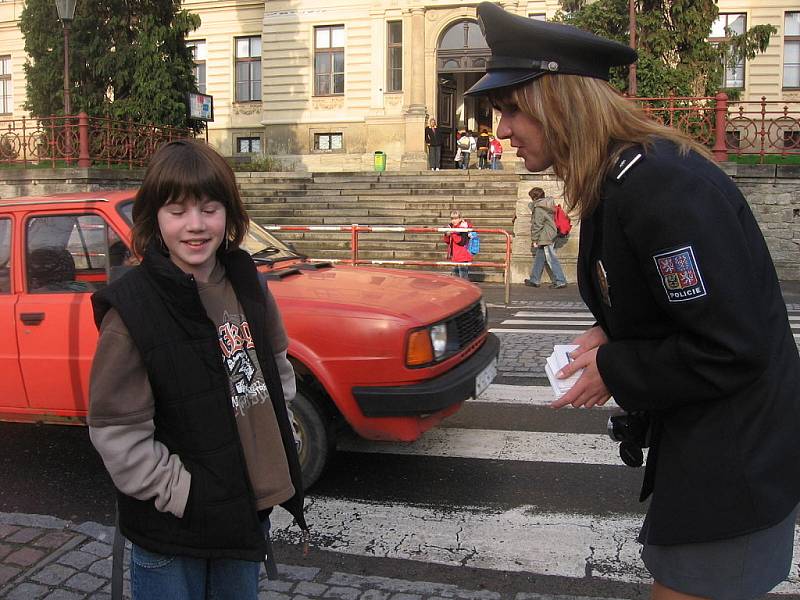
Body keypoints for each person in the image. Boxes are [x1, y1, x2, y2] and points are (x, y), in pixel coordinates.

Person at [465, 3, 800, 600]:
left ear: (559, 102)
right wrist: (612, 332)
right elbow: (671, 307)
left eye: (512, 109)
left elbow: (732, 348)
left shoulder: (663, 187)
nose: (502, 131)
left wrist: (615, 367)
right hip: (704, 454)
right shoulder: (619, 177)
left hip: (734, 467)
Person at [88, 139, 308, 600]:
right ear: (154, 219)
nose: (195, 225)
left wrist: (278, 431)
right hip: (176, 530)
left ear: (228, 215)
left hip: (245, 515)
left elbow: (276, 367)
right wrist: (181, 493)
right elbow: (115, 430)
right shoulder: (132, 308)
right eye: (177, 210)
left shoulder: (248, 282)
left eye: (209, 209)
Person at [525, 187, 567, 289]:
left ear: (534, 197)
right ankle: (534, 279)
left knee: (551, 258)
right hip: (550, 233)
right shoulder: (548, 204)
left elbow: (537, 225)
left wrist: (534, 239)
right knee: (540, 257)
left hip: (546, 236)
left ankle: (560, 280)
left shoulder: (539, 208)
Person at [442, 209, 472, 279]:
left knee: (463, 277)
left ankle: (465, 289)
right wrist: (446, 234)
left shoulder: (464, 228)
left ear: (460, 219)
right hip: (455, 256)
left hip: (463, 255)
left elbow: (460, 241)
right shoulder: (451, 227)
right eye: (452, 218)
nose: (453, 220)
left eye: (455, 218)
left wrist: (452, 233)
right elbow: (447, 241)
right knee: (455, 277)